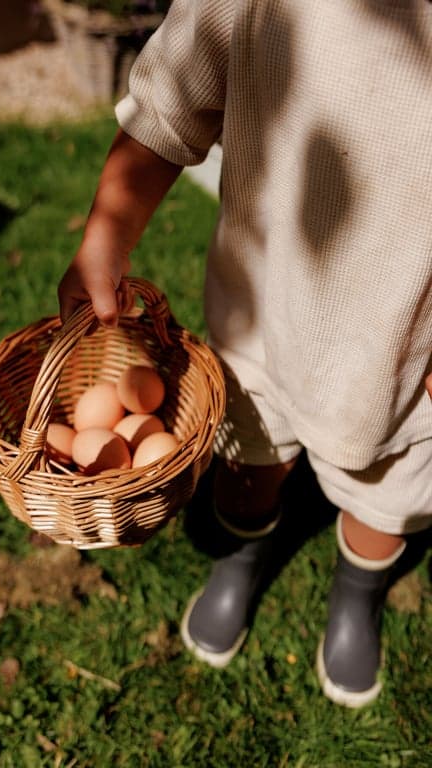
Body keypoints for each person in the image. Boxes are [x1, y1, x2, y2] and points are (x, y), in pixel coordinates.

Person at [58, 0, 432, 708]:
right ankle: (242, 555)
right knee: (248, 462)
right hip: (262, 316)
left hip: (409, 346)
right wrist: (108, 230)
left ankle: (358, 593)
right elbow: (171, 98)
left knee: (389, 498)